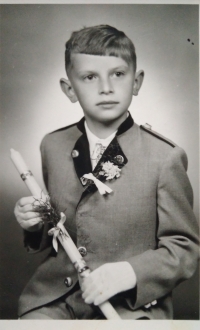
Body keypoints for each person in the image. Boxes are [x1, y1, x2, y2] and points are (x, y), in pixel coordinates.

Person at [14, 24, 199, 320]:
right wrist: (33, 224)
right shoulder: (52, 145)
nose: (106, 88)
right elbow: (57, 233)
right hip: (58, 300)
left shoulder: (165, 157)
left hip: (130, 306)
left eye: (118, 74)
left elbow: (184, 248)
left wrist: (129, 273)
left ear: (136, 82)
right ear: (69, 89)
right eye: (89, 77)